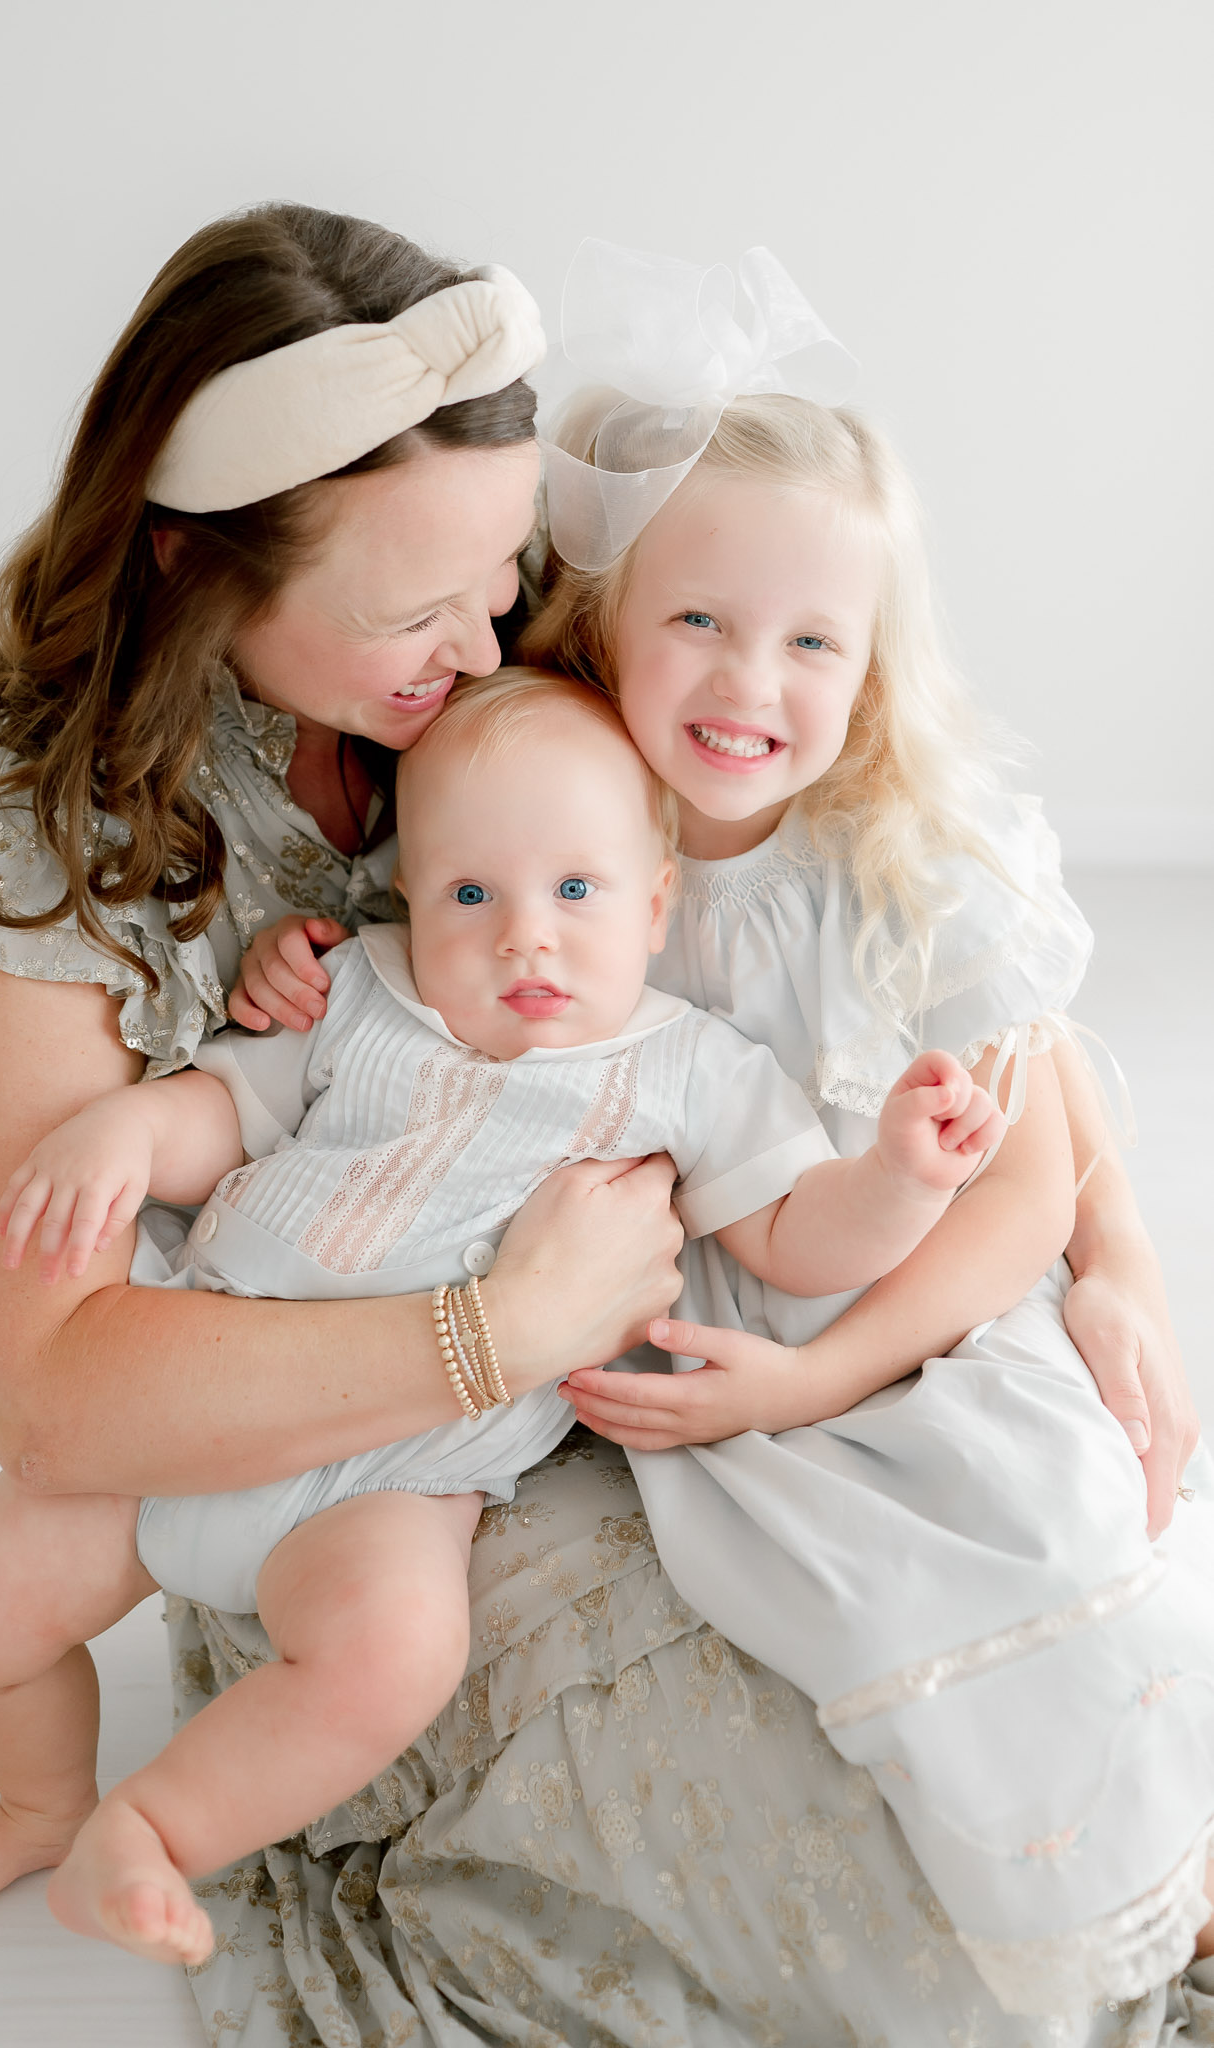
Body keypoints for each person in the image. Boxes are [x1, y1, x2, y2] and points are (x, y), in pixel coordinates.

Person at [0, 206, 1207, 2044]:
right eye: (418, 605)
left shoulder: (531, 679)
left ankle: (1132, 1871)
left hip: (609, 1405)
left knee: (950, 1740)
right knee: (807, 1863)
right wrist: (496, 1326)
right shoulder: (51, 874)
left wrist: (1116, 1240)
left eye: (502, 573)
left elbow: (926, 930)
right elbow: (53, 1395)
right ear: (196, 567)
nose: (492, 631)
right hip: (322, 1443)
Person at [0, 669, 1006, 1968]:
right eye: (472, 895)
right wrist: (127, 1131)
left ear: (657, 904)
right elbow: (226, 1115)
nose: (523, 938)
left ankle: (150, 1831)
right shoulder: (361, 994)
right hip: (205, 1406)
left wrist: (902, 1178)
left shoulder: (689, 1072)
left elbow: (795, 1236)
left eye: (576, 893)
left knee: (391, 1659)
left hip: (399, 1478)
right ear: (410, 899)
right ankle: (41, 1800)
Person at [517, 241, 1214, 2018]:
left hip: (926, 1294)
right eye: (699, 621)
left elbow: (1027, 1177)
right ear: (600, 622)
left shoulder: (901, 859)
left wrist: (830, 1378)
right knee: (856, 1611)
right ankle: (1046, 1897)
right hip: (733, 1302)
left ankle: (1159, 1881)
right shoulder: (568, 843)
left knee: (1066, 1522)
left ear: (871, 658)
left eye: (814, 639)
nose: (753, 681)